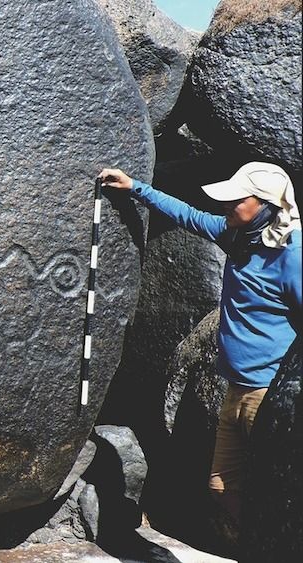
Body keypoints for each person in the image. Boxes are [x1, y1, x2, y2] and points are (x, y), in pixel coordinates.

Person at [97, 162, 302, 526]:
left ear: (267, 205)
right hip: (235, 389)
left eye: (237, 199)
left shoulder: (291, 254)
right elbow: (189, 215)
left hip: (269, 395)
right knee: (222, 486)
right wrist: (136, 187)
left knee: (277, 494)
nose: (227, 205)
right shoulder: (239, 235)